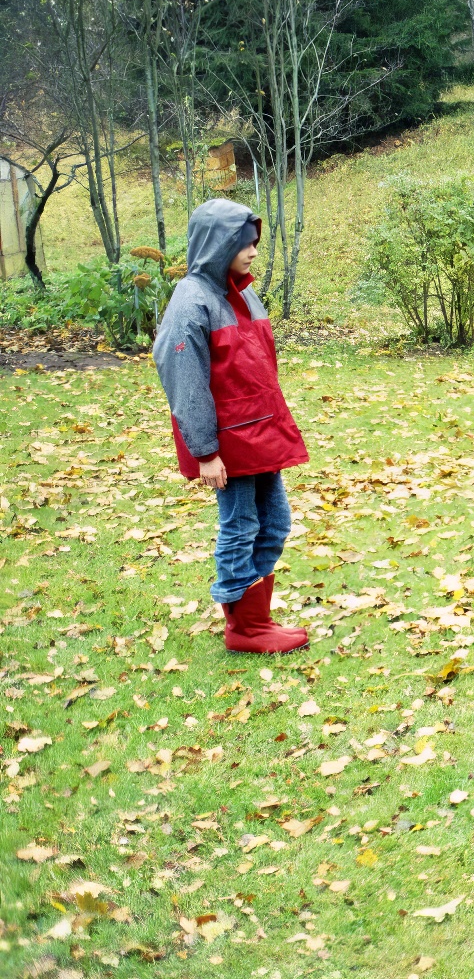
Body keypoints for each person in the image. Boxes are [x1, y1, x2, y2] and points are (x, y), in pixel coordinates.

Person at [153, 199, 311, 653]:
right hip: (227, 443)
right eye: (244, 243)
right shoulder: (192, 300)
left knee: (274, 523)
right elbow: (184, 380)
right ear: (217, 244)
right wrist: (205, 451)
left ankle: (253, 616)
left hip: (260, 434)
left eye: (254, 242)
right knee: (240, 526)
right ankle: (244, 627)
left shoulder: (242, 294)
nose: (253, 251)